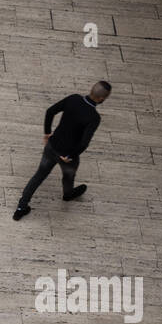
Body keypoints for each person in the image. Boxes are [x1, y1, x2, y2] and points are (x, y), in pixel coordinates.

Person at [13, 81, 111, 220]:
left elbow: (50, 111)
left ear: (91, 90)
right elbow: (84, 143)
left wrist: (47, 133)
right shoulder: (94, 117)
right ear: (102, 99)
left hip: (52, 146)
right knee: (68, 176)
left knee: (39, 176)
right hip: (68, 155)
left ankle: (21, 207)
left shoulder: (73, 99)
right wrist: (70, 155)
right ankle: (68, 194)